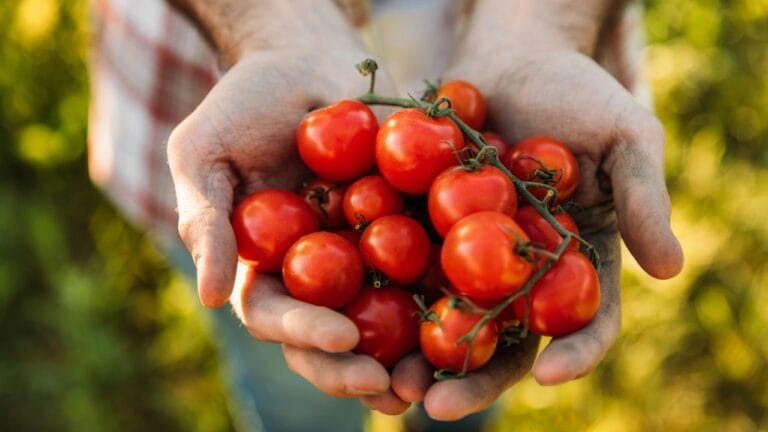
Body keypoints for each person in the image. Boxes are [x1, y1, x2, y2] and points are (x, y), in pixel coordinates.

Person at [88, 0, 684, 430]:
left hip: (521, 47)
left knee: (462, 395)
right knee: (293, 394)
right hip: (205, 72)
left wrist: (543, 25)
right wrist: (277, 27)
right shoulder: (494, 223)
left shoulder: (492, 231)